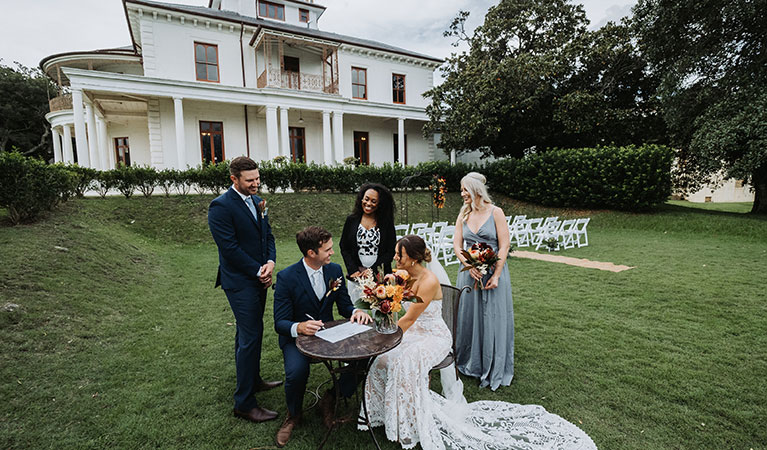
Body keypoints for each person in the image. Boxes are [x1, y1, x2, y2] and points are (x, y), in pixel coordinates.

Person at [361, 235, 597, 450]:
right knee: (382, 358)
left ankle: (408, 424)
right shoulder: (402, 275)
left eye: (398, 254)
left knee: (406, 360)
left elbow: (409, 318)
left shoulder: (429, 281)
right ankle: (380, 414)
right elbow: (399, 311)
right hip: (413, 332)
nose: (394, 257)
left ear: (412, 258)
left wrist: (385, 338)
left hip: (433, 336)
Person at [273, 226, 372, 447]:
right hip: (297, 339)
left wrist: (356, 311)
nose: (332, 253)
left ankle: (332, 397)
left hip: (329, 335)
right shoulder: (286, 277)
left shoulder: (334, 271)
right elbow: (279, 322)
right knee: (297, 371)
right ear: (311, 253)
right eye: (327, 250)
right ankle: (294, 415)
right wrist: (299, 327)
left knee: (364, 357)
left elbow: (344, 305)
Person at [208, 156, 282, 423]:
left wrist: (270, 262)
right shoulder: (220, 206)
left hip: (259, 276)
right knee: (250, 336)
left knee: (250, 332)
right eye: (250, 180)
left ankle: (253, 379)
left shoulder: (257, 201)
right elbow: (229, 249)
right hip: (239, 282)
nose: (256, 184)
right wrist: (257, 270)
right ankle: (244, 403)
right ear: (234, 179)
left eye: (257, 179)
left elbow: (268, 236)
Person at [453, 171, 514, 390]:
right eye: (461, 190)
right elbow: (457, 246)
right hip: (469, 274)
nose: (462, 194)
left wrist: (496, 274)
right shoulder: (463, 215)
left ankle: (491, 362)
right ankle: (470, 361)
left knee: (492, 317)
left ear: (476, 190)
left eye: (464, 189)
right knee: (469, 317)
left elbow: (504, 245)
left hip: (493, 273)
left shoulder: (496, 212)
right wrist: (469, 265)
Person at [340, 183, 396, 279]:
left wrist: (371, 271)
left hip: (380, 275)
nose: (368, 204)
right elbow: (344, 247)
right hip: (357, 276)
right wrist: (353, 270)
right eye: (366, 199)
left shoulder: (386, 223)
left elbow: (390, 251)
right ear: (361, 198)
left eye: (374, 201)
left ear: (380, 204)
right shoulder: (351, 220)